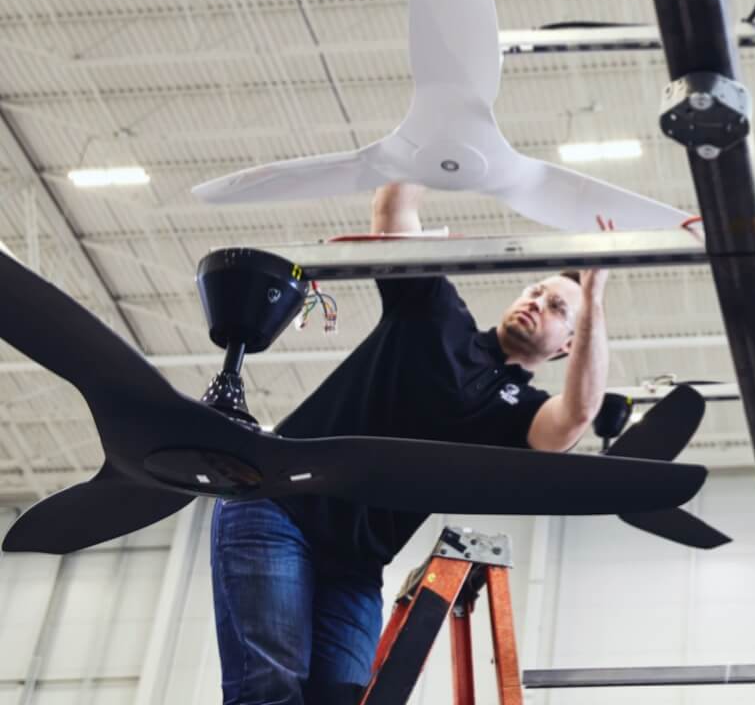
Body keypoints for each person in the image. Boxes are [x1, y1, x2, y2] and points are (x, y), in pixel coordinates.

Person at [210, 183, 613, 705]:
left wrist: (596, 298)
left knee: (345, 698)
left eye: (558, 307)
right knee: (271, 690)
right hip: (277, 507)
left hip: (355, 563)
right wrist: (448, 152)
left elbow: (576, 416)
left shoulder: (517, 414)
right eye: (536, 290)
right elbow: (393, 210)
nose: (538, 302)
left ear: (567, 347)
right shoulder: (435, 314)